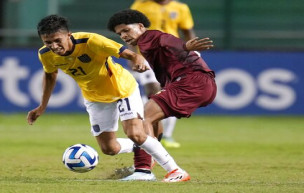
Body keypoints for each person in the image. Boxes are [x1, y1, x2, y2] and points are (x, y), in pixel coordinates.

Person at [27, 14, 190, 182]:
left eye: (57, 40)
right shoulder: (45, 54)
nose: (54, 46)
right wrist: (42, 106)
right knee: (109, 148)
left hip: (121, 88)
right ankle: (148, 145)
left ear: (68, 35)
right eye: (48, 42)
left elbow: (130, 54)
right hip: (95, 97)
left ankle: (175, 171)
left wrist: (137, 59)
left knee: (135, 133)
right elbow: (50, 76)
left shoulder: (91, 41)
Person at [107, 9, 216, 181]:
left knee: (144, 118)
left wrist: (185, 47)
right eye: (120, 33)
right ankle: (147, 163)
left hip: (191, 82)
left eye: (126, 30)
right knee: (153, 118)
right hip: (194, 83)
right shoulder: (145, 44)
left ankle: (145, 171)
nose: (124, 35)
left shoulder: (150, 37)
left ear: (141, 26)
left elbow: (169, 42)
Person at [131, 0, 197, 148]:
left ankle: (166, 135)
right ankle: (149, 129)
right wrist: (133, 55)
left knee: (169, 93)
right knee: (153, 91)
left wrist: (192, 52)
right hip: (148, 55)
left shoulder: (181, 8)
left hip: (173, 56)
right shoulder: (141, 5)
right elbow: (130, 30)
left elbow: (187, 32)